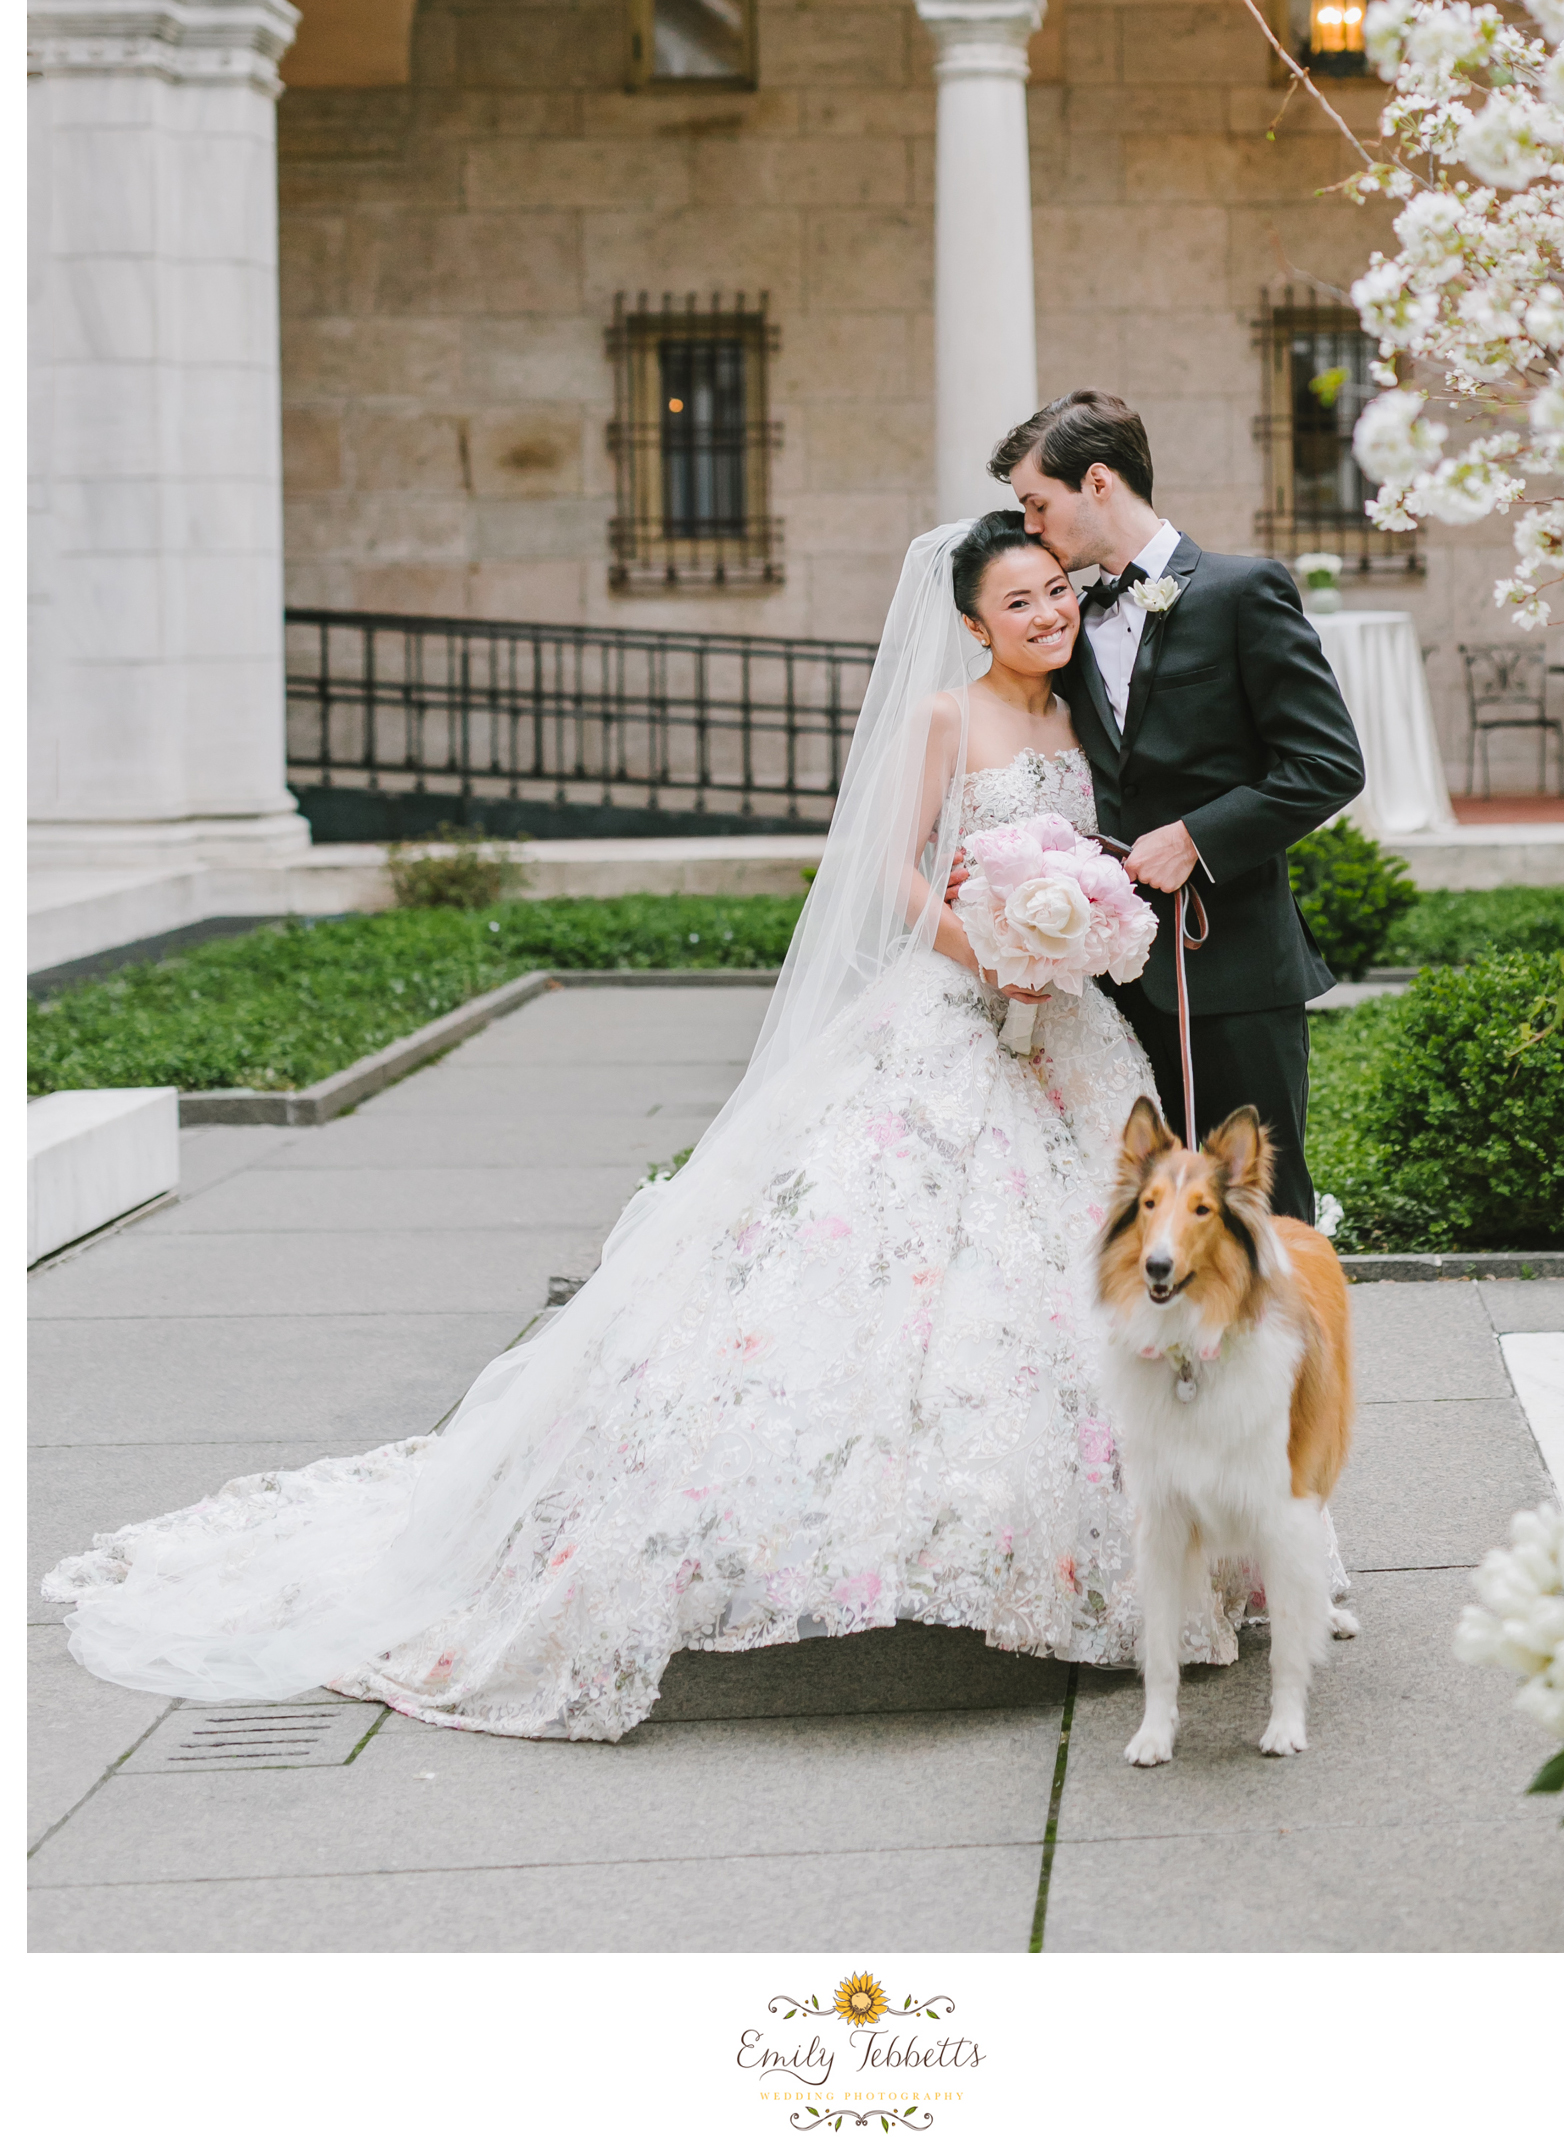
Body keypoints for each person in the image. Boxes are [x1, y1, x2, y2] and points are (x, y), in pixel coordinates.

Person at [47, 512, 1303, 1743]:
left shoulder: (1085, 713)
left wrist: (1073, 932)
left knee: (1087, 1276)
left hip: (1067, 1030)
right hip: (948, 1005)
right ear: (972, 619)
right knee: (876, 1265)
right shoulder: (943, 715)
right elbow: (891, 865)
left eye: (1056, 592)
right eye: (1018, 599)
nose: (1046, 614)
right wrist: (983, 941)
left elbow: (1099, 851)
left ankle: (1123, 1549)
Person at [992, 390, 1366, 1226]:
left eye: (1036, 504)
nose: (1030, 526)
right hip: (1114, 987)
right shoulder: (1068, 623)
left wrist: (1197, 837)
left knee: (1261, 1216)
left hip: (1232, 962)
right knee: (1147, 1226)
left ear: (1096, 482)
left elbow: (1328, 763)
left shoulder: (1243, 592)